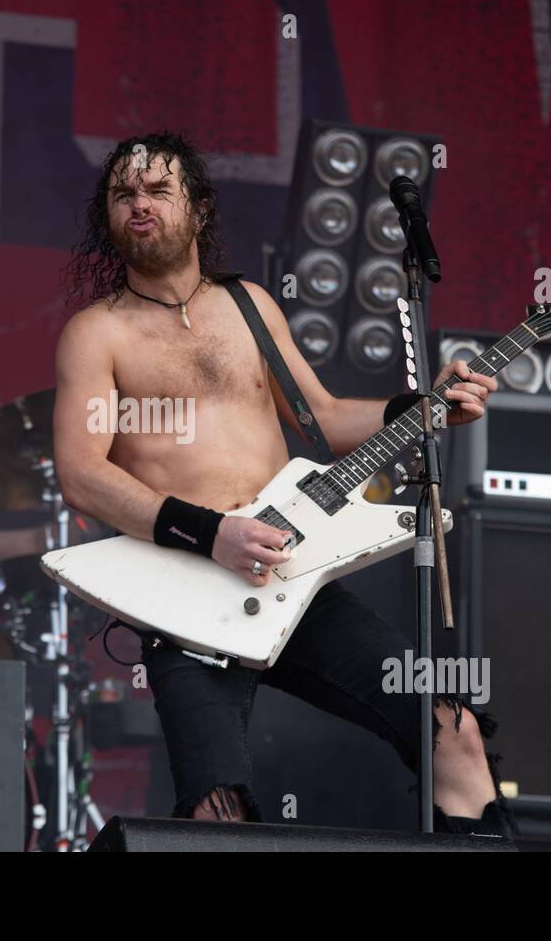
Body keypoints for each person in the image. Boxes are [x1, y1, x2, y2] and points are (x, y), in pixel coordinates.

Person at [54, 131, 513, 836]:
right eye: (122, 193)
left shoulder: (250, 307)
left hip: (296, 578)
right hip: (189, 596)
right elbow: (83, 476)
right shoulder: (97, 333)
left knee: (452, 731)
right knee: (217, 810)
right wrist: (212, 534)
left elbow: (324, 421)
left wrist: (420, 410)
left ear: (199, 210)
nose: (137, 203)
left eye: (156, 190)